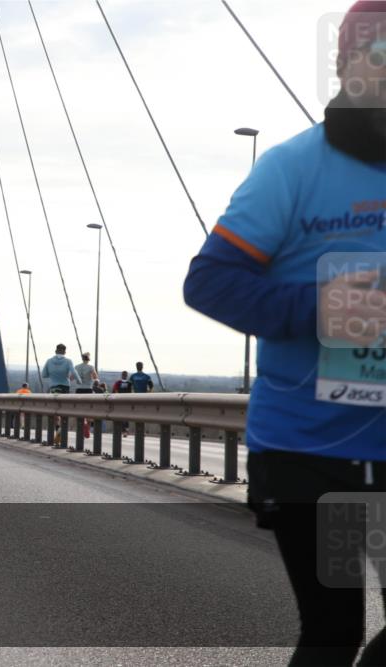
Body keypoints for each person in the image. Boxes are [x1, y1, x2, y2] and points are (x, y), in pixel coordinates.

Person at [185, 5, 386, 662]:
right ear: (346, 64)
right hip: (310, 451)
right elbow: (209, 282)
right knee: (333, 632)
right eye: (381, 54)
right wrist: (320, 309)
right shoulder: (293, 168)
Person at [111, 371, 132, 437]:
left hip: (120, 402)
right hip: (126, 402)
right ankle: (125, 430)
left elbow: (114, 391)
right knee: (125, 417)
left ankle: (124, 430)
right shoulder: (129, 383)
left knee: (121, 416)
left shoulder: (118, 383)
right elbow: (131, 392)